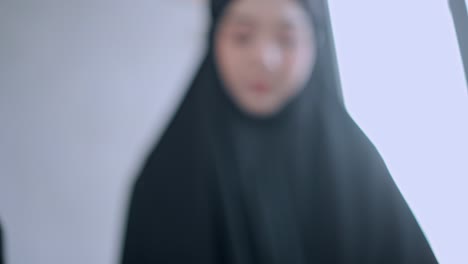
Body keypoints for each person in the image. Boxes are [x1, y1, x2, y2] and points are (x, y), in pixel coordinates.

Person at [121, 0, 438, 263]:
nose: (264, 59)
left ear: (316, 42)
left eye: (286, 39)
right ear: (214, 38)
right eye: (243, 36)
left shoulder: (358, 169)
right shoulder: (166, 178)